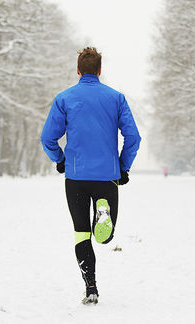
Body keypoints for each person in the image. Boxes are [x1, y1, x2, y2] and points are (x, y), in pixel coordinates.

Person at [40, 47, 141, 305]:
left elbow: (47, 137)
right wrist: (123, 166)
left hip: (76, 177)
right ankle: (103, 212)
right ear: (99, 70)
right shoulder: (116, 98)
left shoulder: (65, 99)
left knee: (81, 234)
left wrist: (60, 160)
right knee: (104, 236)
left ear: (78, 70)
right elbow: (133, 137)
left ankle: (91, 288)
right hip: (107, 176)